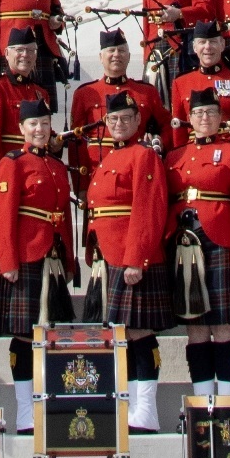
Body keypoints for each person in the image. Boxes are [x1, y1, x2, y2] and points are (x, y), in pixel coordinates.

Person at [84, 90, 172, 431]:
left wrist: (137, 258)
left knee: (140, 333)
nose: (120, 124)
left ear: (138, 122)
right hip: (110, 255)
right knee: (123, 334)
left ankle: (146, 409)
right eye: (113, 119)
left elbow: (148, 210)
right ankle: (132, 405)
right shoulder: (106, 158)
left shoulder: (144, 156)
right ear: (106, 123)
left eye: (126, 119)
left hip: (133, 256)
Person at [166, 89, 230, 396]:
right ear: (189, 119)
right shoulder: (175, 156)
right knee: (195, 326)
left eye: (210, 113)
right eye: (197, 114)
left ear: (220, 117)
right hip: (185, 244)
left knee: (223, 324)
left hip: (220, 241)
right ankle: (202, 396)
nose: (203, 118)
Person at [0, 97, 77, 431]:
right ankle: (25, 408)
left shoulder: (57, 166)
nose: (40, 130)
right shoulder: (12, 163)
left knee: (49, 332)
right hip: (25, 256)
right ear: (21, 129)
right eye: (33, 125)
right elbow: (2, 214)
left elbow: (65, 218)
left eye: (44, 124)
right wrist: (7, 260)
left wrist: (69, 261)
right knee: (25, 334)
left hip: (52, 257)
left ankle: (46, 400)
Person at [68, 27, 171, 191]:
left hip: (137, 170)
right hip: (98, 173)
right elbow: (76, 143)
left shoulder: (146, 92)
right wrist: (80, 185)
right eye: (111, 50)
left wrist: (158, 143)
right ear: (101, 57)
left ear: (129, 57)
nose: (117, 55)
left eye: (122, 50)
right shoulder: (85, 93)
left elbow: (167, 125)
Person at [0, 25, 57, 182]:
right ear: (6, 53)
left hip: (34, 176)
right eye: (19, 50)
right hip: (7, 176)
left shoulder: (40, 93)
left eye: (31, 50)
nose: (25, 55)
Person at [167, 23, 230, 145]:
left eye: (213, 42)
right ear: (194, 47)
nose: (207, 47)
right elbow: (178, 130)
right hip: (195, 152)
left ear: (222, 44)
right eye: (202, 42)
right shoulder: (180, 82)